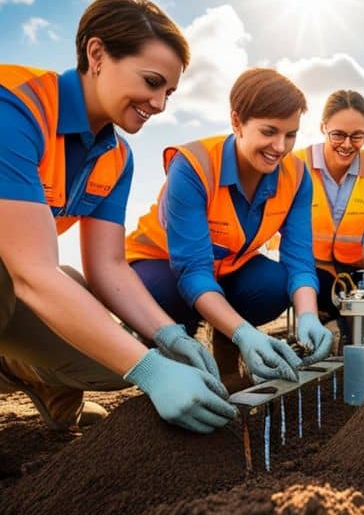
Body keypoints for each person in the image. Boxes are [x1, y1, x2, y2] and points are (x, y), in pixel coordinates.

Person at [0, 0, 238, 434]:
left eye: (168, 92)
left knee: (110, 365)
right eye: (151, 82)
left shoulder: (115, 156)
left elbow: (108, 265)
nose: (160, 104)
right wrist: (150, 371)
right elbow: (32, 272)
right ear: (97, 54)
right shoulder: (14, 108)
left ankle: (23, 369)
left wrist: (168, 338)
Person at [126, 68, 333, 390]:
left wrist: (308, 315)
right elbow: (192, 270)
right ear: (237, 122)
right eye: (269, 131)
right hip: (162, 264)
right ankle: (176, 350)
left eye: (291, 135)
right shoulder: (193, 165)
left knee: (275, 284)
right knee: (163, 295)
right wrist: (245, 332)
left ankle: (226, 343)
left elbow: (299, 258)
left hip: (228, 267)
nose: (280, 147)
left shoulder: (296, 175)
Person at [294, 90, 364, 328]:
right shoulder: (296, 164)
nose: (347, 145)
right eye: (338, 135)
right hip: (308, 266)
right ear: (323, 128)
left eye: (357, 136)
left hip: (356, 270)